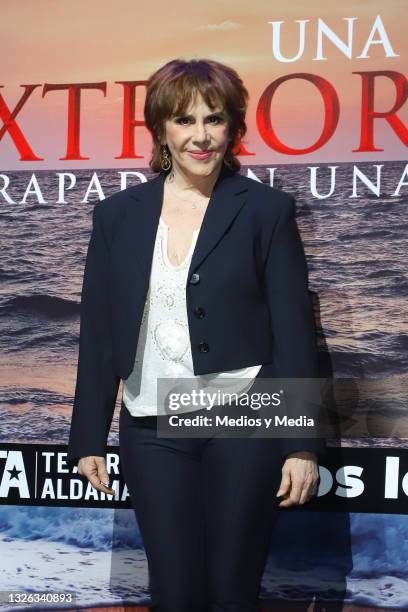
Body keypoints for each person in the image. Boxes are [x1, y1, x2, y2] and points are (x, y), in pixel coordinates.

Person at [67, 58, 327, 611]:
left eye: (214, 120)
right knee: (176, 594)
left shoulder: (266, 211)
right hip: (152, 427)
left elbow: (293, 331)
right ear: (161, 128)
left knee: (233, 594)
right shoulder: (117, 216)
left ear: (233, 128)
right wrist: (88, 436)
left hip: (243, 420)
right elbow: (98, 331)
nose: (201, 136)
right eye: (185, 121)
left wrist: (302, 444)